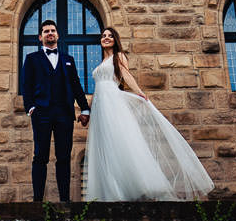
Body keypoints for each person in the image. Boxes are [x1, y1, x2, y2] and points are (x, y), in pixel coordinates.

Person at [84, 26, 214, 201]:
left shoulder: (119, 56)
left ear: (115, 40)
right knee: (104, 144)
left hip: (112, 103)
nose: (106, 38)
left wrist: (139, 92)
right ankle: (111, 190)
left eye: (109, 36)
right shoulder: (101, 63)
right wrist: (88, 110)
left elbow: (126, 75)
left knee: (118, 140)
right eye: (103, 36)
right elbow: (97, 89)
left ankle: (135, 185)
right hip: (100, 106)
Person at [21, 18, 90, 202]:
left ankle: (65, 200)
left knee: (64, 157)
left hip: (64, 114)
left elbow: (76, 86)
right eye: (46, 31)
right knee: (40, 156)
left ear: (58, 35)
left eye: (52, 30)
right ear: (40, 37)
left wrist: (85, 109)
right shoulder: (32, 59)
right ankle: (37, 201)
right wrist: (31, 109)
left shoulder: (68, 60)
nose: (50, 33)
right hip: (41, 113)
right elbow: (26, 87)